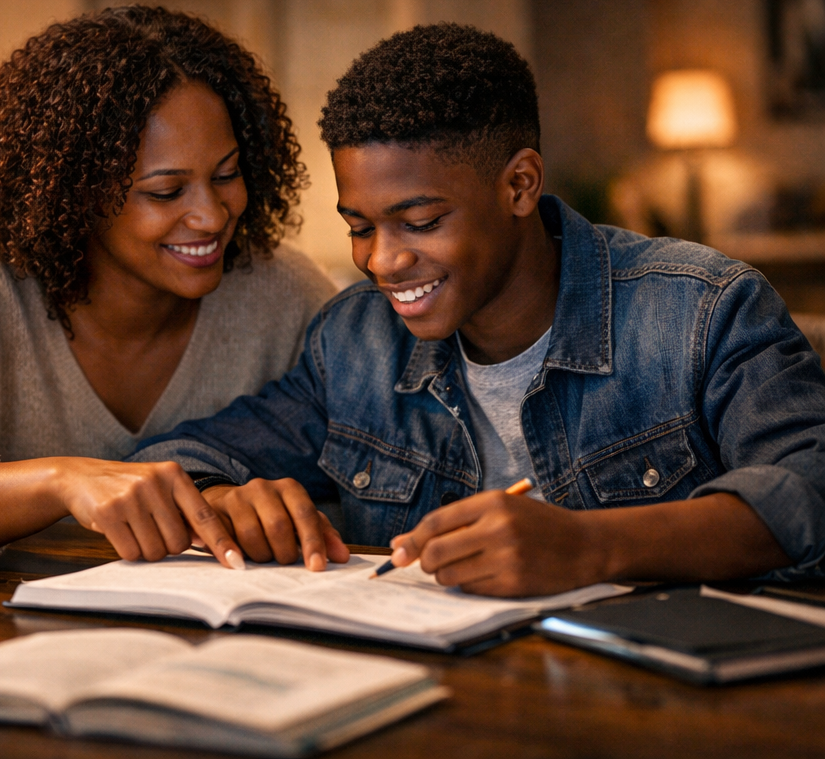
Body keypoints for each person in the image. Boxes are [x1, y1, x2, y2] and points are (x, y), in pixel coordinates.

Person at [131, 23, 825, 596]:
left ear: (519, 185)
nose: (382, 261)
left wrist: (590, 545)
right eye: (360, 226)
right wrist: (222, 497)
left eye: (421, 221)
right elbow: (174, 459)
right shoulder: (353, 341)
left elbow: (808, 490)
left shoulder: (702, 309)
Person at [0, 6, 336, 566]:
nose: (211, 216)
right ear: (75, 193)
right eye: (166, 192)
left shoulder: (282, 291)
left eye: (227, 175)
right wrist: (61, 481)